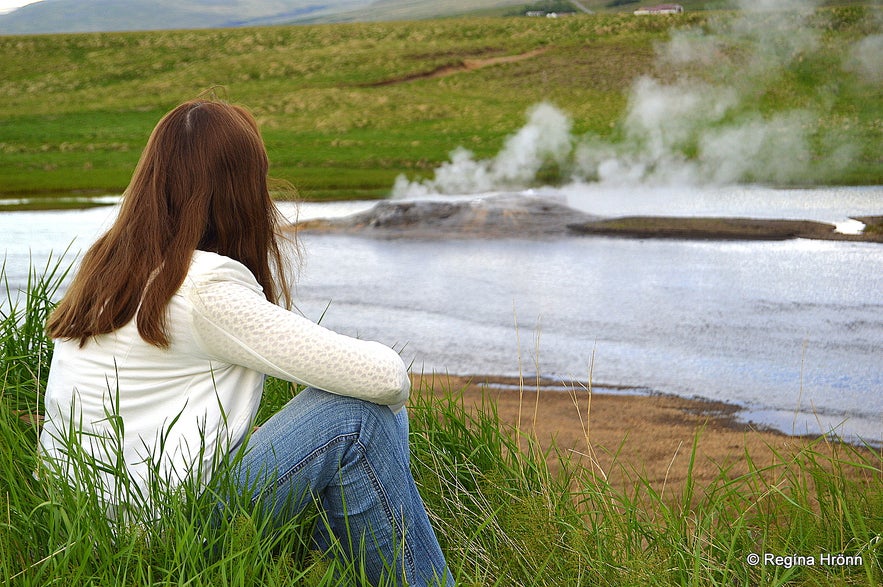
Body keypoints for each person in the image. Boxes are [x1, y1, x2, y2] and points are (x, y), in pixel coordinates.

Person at [38, 99, 454, 586]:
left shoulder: (113, 264)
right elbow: (385, 378)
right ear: (239, 189)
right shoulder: (202, 288)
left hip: (86, 526)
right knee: (359, 416)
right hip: (164, 534)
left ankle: (358, 570)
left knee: (357, 416)